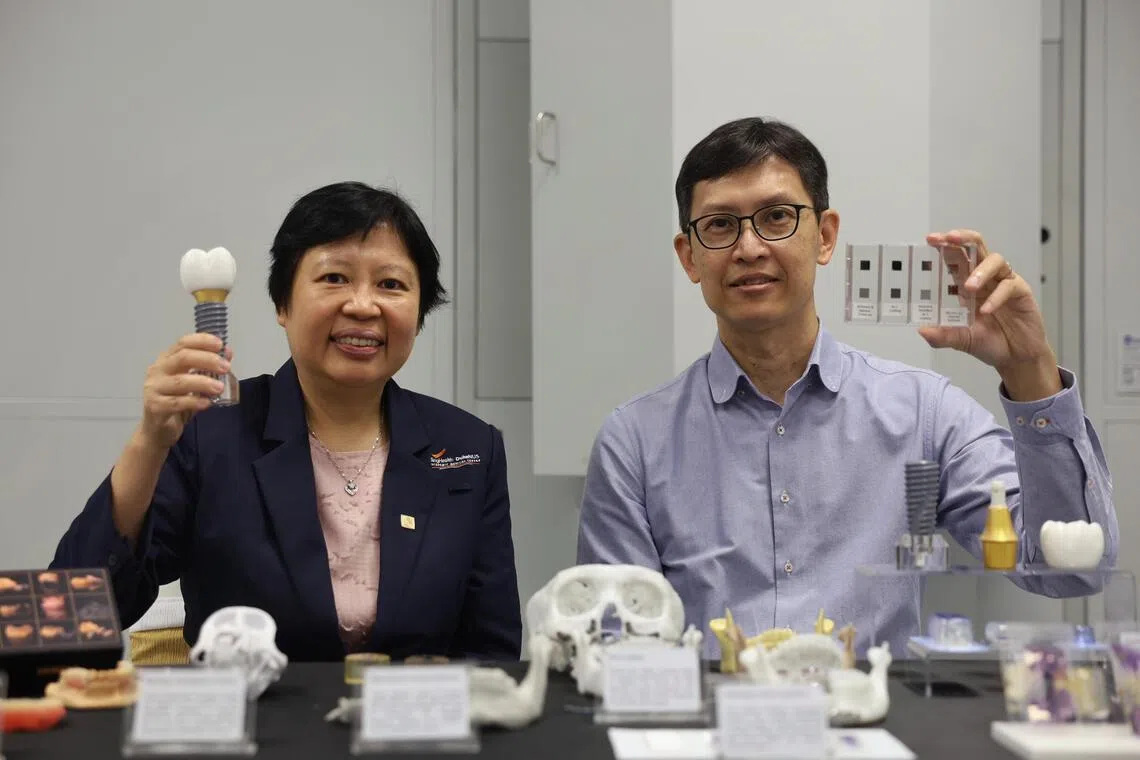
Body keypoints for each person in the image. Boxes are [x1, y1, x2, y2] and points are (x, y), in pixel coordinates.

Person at [576, 117, 1119, 655]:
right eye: (720, 225)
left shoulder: (922, 413)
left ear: (826, 236)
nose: (749, 247)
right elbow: (617, 649)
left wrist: (1029, 370)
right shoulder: (636, 441)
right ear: (690, 256)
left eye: (777, 217)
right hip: (713, 732)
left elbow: (1072, 574)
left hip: (873, 728)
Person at [52, 182, 522, 661]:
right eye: (335, 278)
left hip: (413, 728)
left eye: (391, 284)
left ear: (419, 314)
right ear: (283, 305)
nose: (363, 305)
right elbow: (77, 618)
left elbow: (494, 655)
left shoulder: (467, 447)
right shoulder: (211, 433)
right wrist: (150, 441)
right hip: (250, 722)